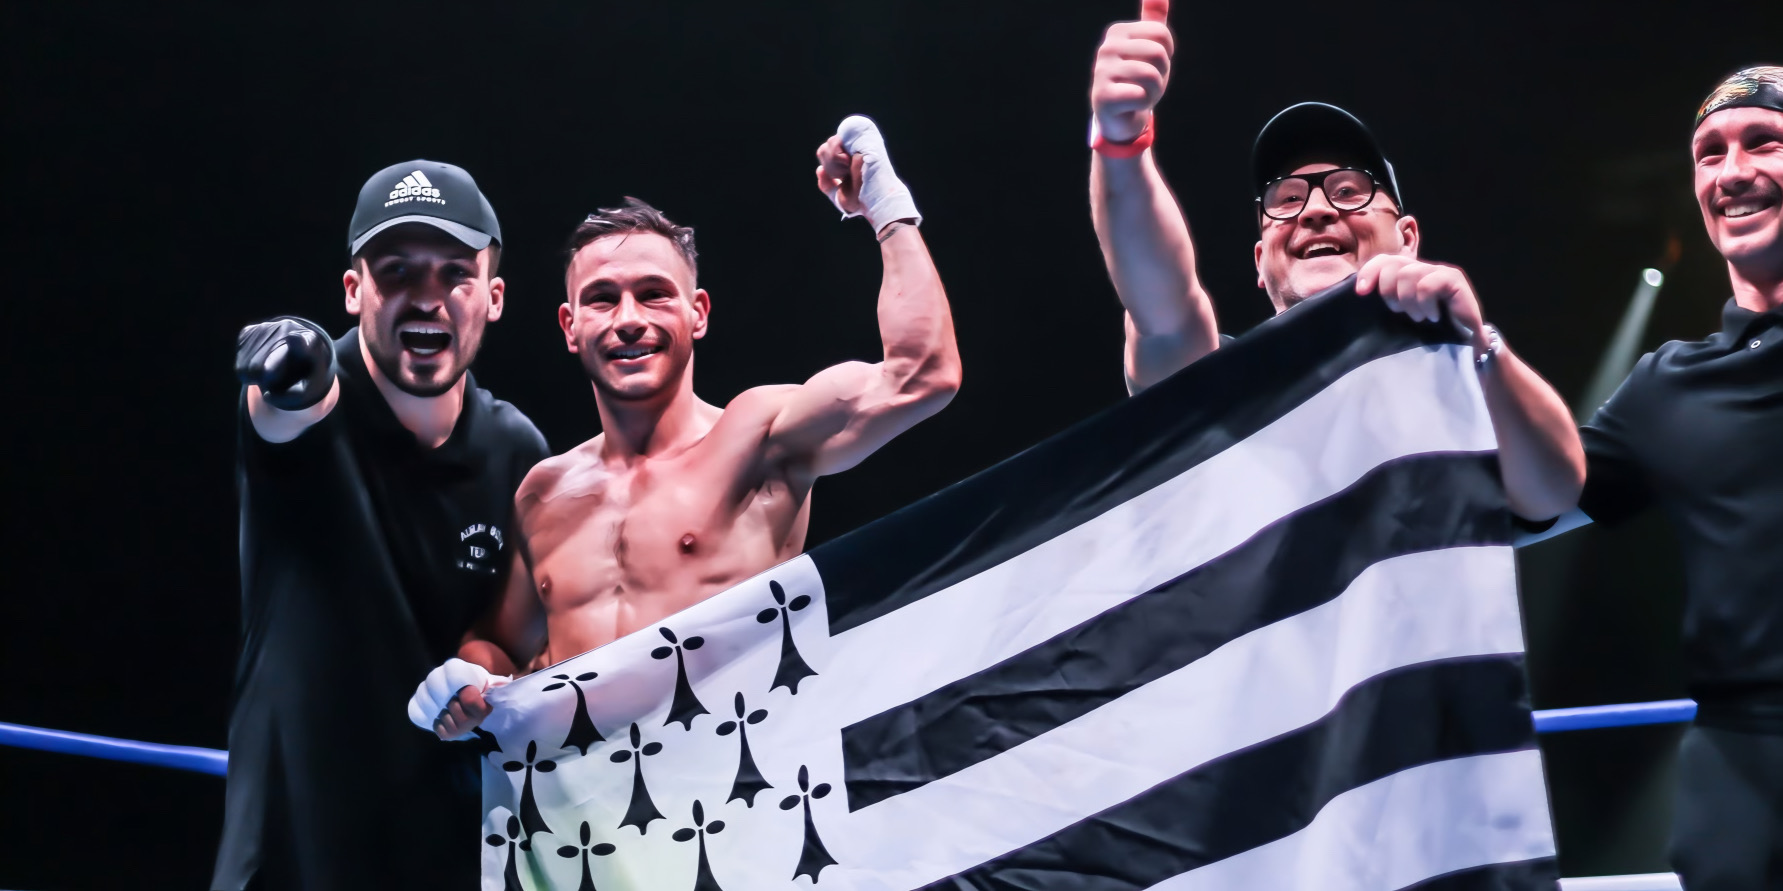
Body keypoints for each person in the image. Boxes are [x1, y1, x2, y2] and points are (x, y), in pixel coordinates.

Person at [408, 117, 961, 739]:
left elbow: (922, 376)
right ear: (569, 326)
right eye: (601, 299)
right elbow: (502, 646)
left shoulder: (760, 439)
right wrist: (466, 678)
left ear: (697, 312)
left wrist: (886, 209)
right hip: (584, 819)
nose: (628, 319)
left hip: (737, 800)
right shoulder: (544, 491)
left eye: (653, 294)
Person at [1085, 0, 1583, 524]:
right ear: (1261, 259)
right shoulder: (1220, 393)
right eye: (1286, 198)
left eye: (1348, 190)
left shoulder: (1461, 391)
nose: (1317, 210)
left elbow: (1554, 492)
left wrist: (1479, 347)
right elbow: (1162, 306)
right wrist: (1120, 144)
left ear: (1407, 237)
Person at [219, 160, 548, 890]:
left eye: (454, 274)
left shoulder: (520, 454)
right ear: (353, 290)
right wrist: (288, 361)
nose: (426, 299)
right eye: (397, 271)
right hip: (289, 858)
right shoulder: (314, 404)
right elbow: (284, 410)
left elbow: (520, 644)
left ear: (493, 297)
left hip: (448, 857)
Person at [1572, 66, 1783, 889]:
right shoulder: (1669, 386)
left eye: (1763, 140)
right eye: (1708, 153)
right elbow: (1517, 502)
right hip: (1737, 773)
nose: (1731, 171)